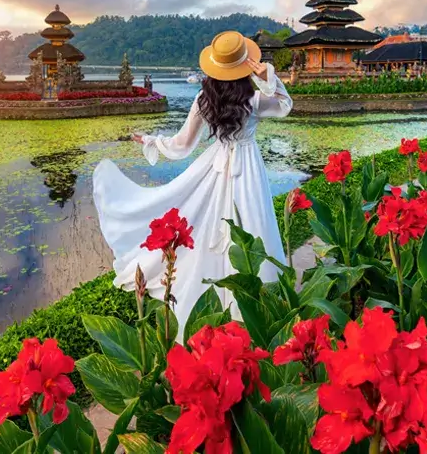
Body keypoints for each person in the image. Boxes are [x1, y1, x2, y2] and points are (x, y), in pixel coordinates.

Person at [93, 31, 293, 333]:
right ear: (243, 68)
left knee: (214, 224)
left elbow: (181, 145)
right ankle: (258, 300)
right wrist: (269, 77)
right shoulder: (254, 100)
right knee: (253, 221)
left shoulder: (203, 99)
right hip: (249, 169)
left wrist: (151, 140)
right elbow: (285, 105)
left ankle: (218, 296)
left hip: (218, 166)